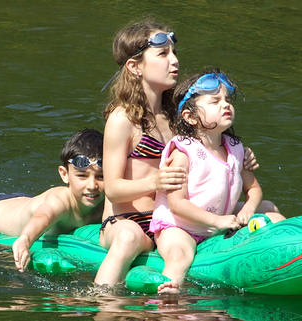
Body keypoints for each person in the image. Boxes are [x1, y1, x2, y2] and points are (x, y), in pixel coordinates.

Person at [96, 20, 260, 289]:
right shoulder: (122, 119)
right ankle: (103, 306)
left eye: (174, 52)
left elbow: (209, 146)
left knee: (266, 209)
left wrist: (239, 156)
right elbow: (112, 189)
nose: (174, 61)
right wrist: (155, 183)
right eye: (163, 54)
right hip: (129, 220)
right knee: (127, 238)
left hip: (178, 216)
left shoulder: (177, 115)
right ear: (134, 67)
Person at [150, 69, 286, 293]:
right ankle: (169, 292)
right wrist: (218, 221)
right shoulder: (183, 152)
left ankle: (294, 251)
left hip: (223, 218)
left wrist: (249, 210)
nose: (225, 105)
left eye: (227, 100)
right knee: (179, 254)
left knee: (270, 209)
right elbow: (177, 204)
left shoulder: (236, 149)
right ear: (190, 117)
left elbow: (254, 190)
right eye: (215, 101)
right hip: (182, 225)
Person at [0, 128, 105, 271]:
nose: (92, 185)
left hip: (25, 202)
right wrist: (25, 240)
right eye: (82, 176)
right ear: (64, 174)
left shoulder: (106, 204)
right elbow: (43, 217)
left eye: (101, 176)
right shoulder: (60, 201)